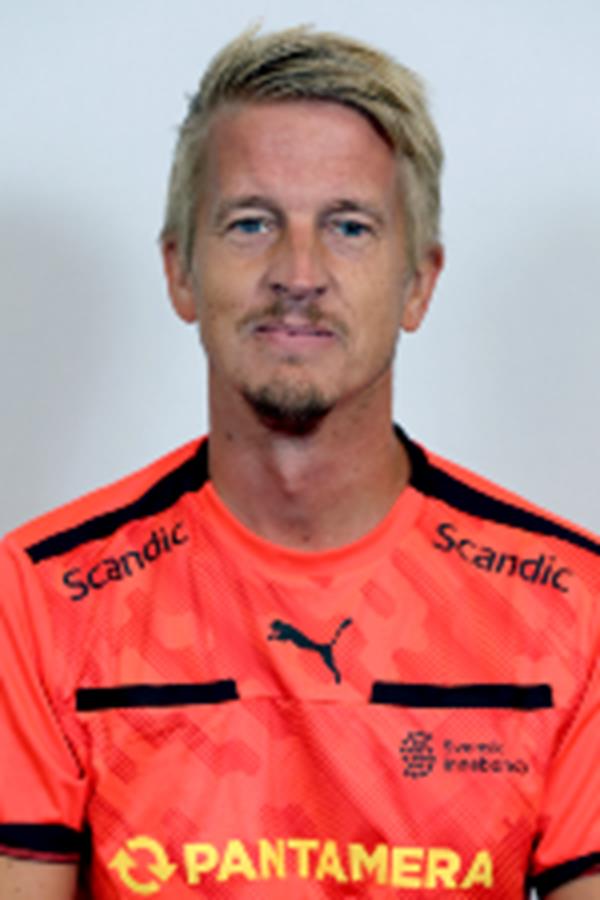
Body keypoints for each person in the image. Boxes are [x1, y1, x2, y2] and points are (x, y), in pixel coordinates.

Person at [0, 24, 598, 900]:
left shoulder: (572, 605)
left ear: (419, 283)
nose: (299, 272)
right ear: (180, 272)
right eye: (251, 223)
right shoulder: (42, 598)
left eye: (350, 227)